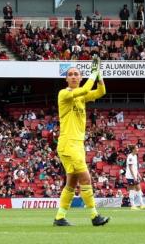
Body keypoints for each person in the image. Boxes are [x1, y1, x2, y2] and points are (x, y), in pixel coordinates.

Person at [53, 60, 110, 227]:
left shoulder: (81, 97)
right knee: (86, 178)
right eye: (70, 74)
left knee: (71, 182)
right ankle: (94, 216)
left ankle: (59, 217)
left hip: (76, 144)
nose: (73, 76)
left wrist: (99, 75)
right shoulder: (63, 93)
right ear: (66, 79)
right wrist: (93, 72)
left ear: (80, 77)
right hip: (69, 143)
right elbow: (85, 89)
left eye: (76, 74)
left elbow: (101, 91)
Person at [125, 145, 145, 210]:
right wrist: (134, 177)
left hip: (134, 176)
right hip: (130, 176)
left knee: (138, 189)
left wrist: (138, 174)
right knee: (132, 190)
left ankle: (141, 204)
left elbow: (135, 167)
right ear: (133, 149)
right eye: (137, 148)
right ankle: (133, 205)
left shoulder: (135, 156)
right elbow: (130, 168)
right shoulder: (130, 156)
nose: (138, 149)